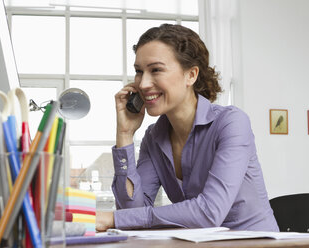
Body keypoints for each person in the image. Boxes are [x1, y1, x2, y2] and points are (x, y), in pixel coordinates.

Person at [96, 24, 279, 232]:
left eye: (156, 70)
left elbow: (209, 212)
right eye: (139, 71)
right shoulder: (154, 138)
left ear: (191, 75)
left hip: (255, 244)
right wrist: (125, 135)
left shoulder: (232, 123)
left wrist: (114, 219)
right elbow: (132, 211)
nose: (143, 83)